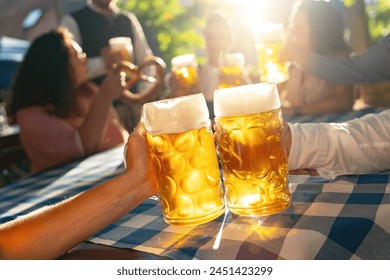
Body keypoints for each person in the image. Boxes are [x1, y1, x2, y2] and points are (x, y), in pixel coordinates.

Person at [0, 122, 158, 260]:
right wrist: (138, 182)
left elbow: (8, 251)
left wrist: (138, 181)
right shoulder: (35, 117)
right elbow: (84, 145)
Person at [7, 28, 131, 173]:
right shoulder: (31, 117)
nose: (84, 60)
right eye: (76, 55)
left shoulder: (85, 93)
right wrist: (104, 97)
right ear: (54, 65)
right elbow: (82, 148)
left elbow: (117, 138)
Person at [61, 0, 164, 131]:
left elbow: (146, 61)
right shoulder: (72, 21)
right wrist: (103, 63)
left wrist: (142, 98)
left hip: (135, 110)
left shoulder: (127, 19)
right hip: (99, 116)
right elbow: (69, 71)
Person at [279, 0, 355, 116]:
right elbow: (278, 92)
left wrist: (296, 111)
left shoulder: (338, 57)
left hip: (332, 129)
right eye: (292, 25)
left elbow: (344, 101)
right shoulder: (293, 62)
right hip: (301, 130)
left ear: (317, 29)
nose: (292, 30)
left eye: (298, 27)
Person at [169, 11, 251, 117]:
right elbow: (175, 109)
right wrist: (175, 92)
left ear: (229, 39)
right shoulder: (194, 73)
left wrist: (245, 85)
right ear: (205, 39)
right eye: (210, 36)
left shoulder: (238, 71)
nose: (215, 41)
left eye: (220, 35)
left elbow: (255, 105)